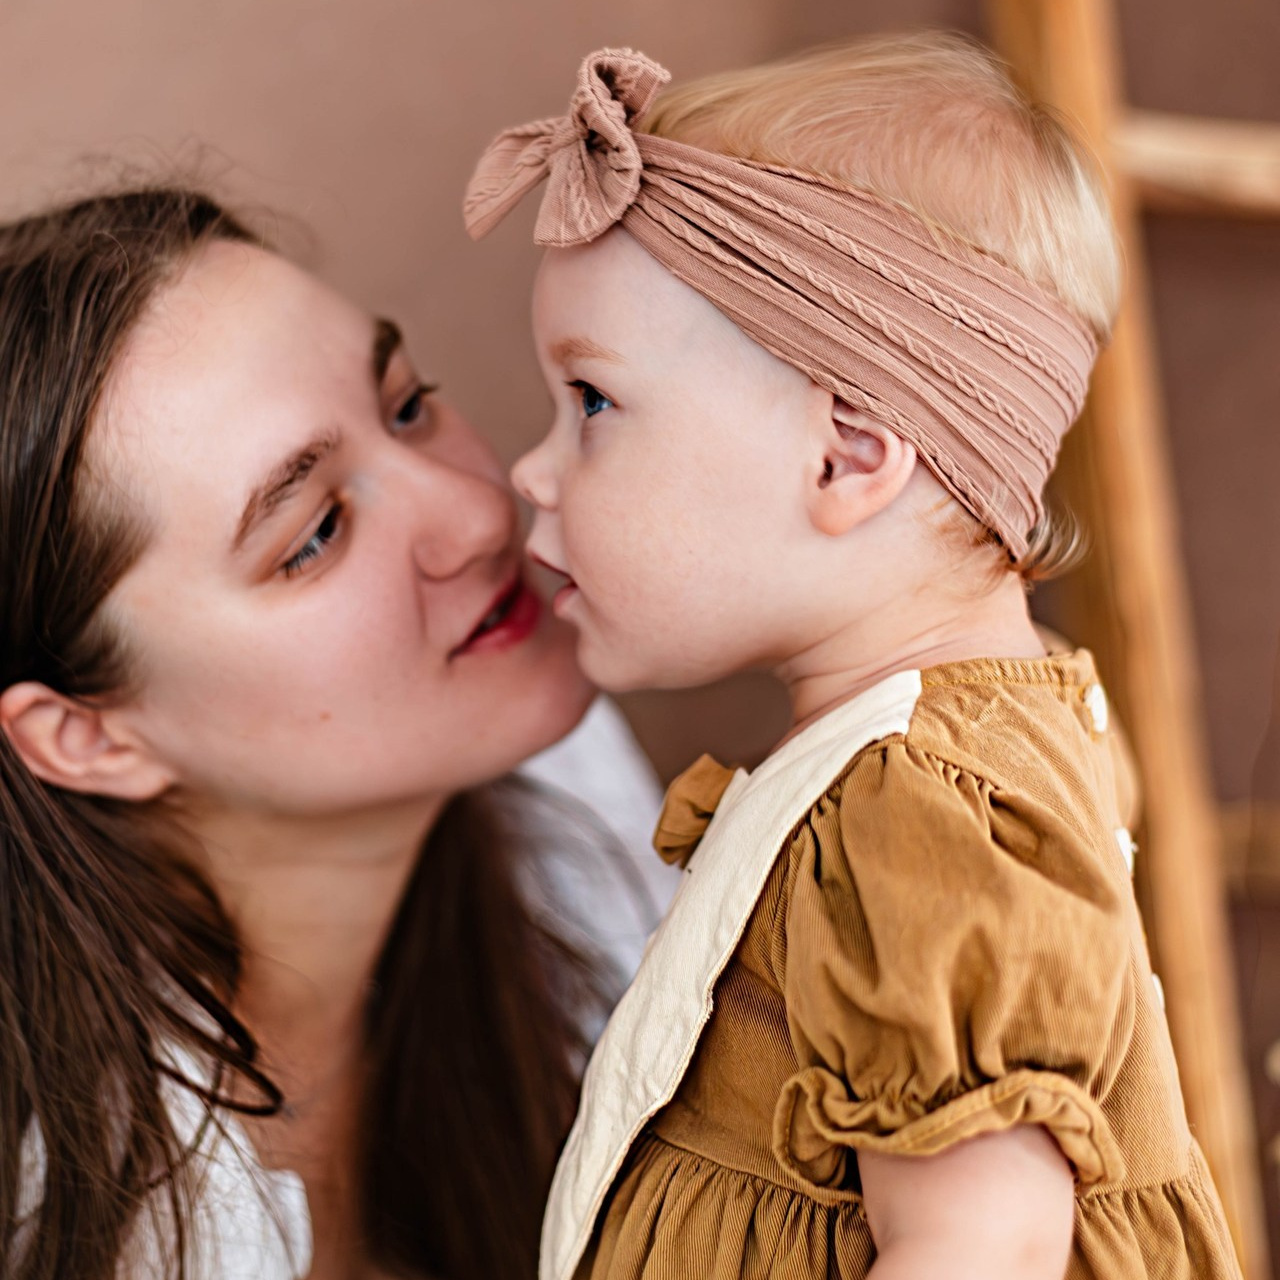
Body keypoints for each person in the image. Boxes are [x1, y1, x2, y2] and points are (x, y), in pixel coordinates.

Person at [465, 35, 1242, 1280]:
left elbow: (979, 1247)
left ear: (847, 454)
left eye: (593, 403)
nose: (530, 469)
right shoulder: (952, 744)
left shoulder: (919, 803)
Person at [0, 185, 673, 1280]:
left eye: (407, 406)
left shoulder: (557, 797)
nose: (481, 512)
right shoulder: (126, 1236)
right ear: (87, 737)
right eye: (312, 535)